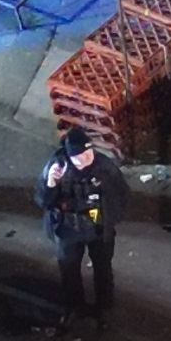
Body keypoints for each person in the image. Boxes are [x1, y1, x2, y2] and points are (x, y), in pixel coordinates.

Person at [37, 125, 119, 324]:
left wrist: (109, 220)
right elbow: (43, 201)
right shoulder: (55, 169)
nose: (86, 159)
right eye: (79, 156)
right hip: (68, 230)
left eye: (88, 152)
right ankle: (75, 306)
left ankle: (104, 306)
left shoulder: (104, 166)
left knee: (103, 268)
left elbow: (120, 195)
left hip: (98, 229)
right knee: (69, 270)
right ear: (69, 156)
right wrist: (50, 184)